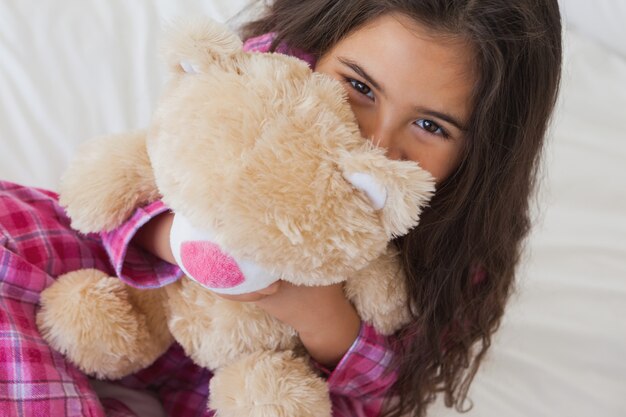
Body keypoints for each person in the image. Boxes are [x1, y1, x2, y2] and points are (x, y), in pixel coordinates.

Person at [0, 0, 562, 416]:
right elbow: (149, 180)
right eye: (360, 88)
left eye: (430, 125)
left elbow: (390, 384)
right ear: (313, 51)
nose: (375, 144)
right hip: (138, 297)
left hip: (259, 384)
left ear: (483, 149)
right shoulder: (265, 85)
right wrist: (183, 240)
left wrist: (322, 317)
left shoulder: (459, 238)